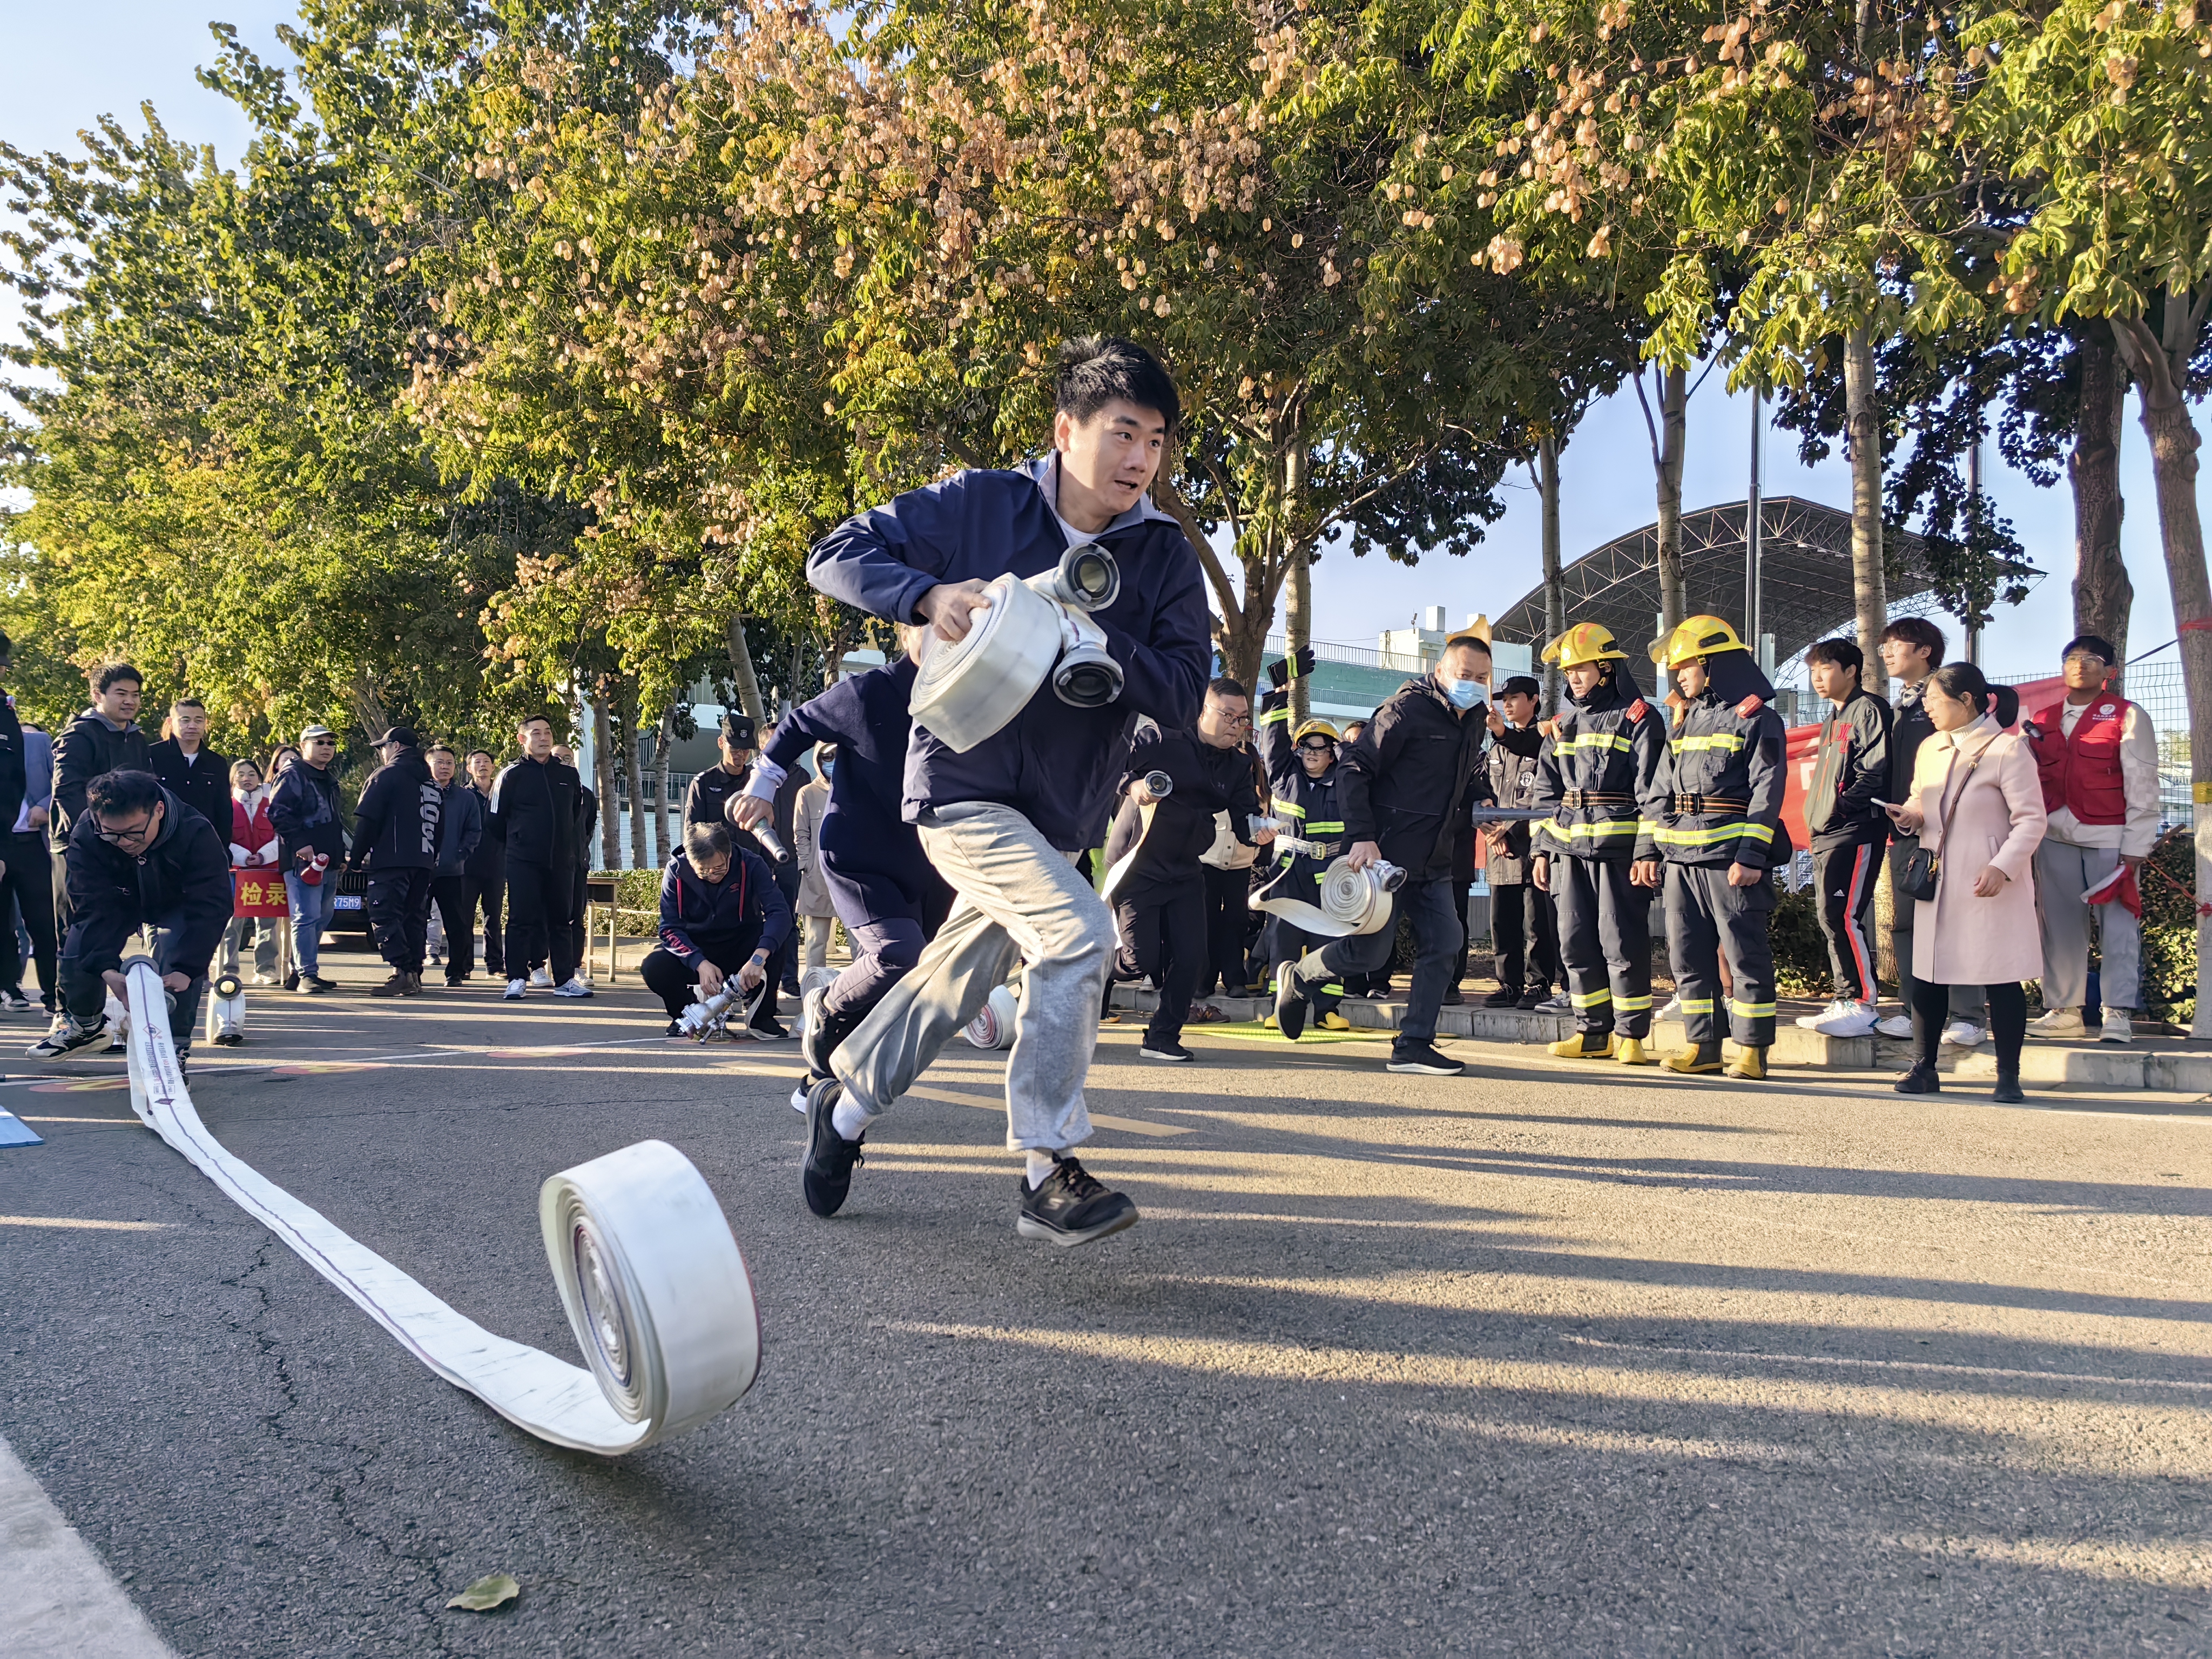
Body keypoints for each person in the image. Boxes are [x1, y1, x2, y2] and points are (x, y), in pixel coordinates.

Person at [796, 334, 1209, 1244]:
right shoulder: (982, 503)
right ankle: (1045, 1165)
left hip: (1059, 817)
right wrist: (923, 596)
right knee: (1078, 932)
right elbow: (834, 551)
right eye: (1123, 433)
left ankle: (844, 1109)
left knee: (947, 987)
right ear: (1067, 430)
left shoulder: (1165, 557)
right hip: (960, 785)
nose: (1142, 459)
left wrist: (1102, 646)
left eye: (1157, 441)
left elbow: (1183, 691)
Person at [736, 629, 957, 1095]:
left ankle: (822, 1078)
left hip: (933, 860)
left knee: (917, 981)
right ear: (907, 630)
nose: (952, 631)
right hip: (861, 856)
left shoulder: (973, 691)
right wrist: (762, 786)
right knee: (897, 955)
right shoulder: (868, 691)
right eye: (936, 621)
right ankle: (825, 1007)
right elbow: (797, 724)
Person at [1275, 630, 1492, 1075]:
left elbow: (1460, 778)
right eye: (1465, 675)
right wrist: (1361, 836)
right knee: (1369, 955)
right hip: (1385, 858)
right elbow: (1354, 766)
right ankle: (1299, 977)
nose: (1473, 684)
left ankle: (1413, 1044)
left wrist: (1482, 797)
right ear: (1441, 672)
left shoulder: (1474, 718)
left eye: (1482, 677)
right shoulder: (1405, 710)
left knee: (1446, 943)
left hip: (1434, 858)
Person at [1882, 664, 2046, 1102]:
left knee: (2001, 976)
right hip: (1938, 877)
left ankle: (2008, 1075)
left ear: (1967, 700)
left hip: (1988, 880)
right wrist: (1911, 815)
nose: (1928, 708)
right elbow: (1922, 797)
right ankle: (1925, 1066)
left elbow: (2032, 820)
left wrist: (2002, 866)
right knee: (1931, 975)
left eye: (1935, 700)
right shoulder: (1931, 747)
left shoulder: (2008, 750)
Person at [1647, 617, 1786, 1080]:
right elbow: (1660, 788)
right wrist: (1653, 845)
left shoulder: (1757, 717)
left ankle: (1751, 1050)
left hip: (1728, 861)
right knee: (1687, 957)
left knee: (1744, 954)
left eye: (1685, 666)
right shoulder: (1686, 720)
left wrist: (1751, 855)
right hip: (1680, 861)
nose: (1679, 676)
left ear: (1711, 663)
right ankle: (1703, 1045)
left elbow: (1768, 792)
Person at [1102, 679, 1269, 1062]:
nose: (1235, 725)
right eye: (1227, 715)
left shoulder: (1239, 764)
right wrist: (1135, 785)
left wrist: (1263, 832)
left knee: (1192, 956)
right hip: (1137, 863)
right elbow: (1108, 764)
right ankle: (1084, 968)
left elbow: (1245, 823)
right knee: (1137, 961)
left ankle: (1162, 1037)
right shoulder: (1163, 738)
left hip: (1186, 867)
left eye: (1242, 719)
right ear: (1202, 711)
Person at [1529, 622, 1668, 1064]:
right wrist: (1541, 849)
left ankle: (1630, 1036)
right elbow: (1545, 793)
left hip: (1619, 853)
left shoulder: (1639, 719)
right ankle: (1591, 1033)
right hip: (1568, 852)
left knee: (1621, 943)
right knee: (1573, 942)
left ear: (1606, 669)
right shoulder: (1561, 724)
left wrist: (1647, 850)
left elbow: (1653, 792)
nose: (1573, 677)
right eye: (1569, 671)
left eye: (1581, 668)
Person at [30, 768, 231, 1067]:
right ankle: (86, 1027)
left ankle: (172, 1049)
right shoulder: (88, 832)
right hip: (116, 898)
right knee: (78, 947)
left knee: (177, 958)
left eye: (134, 832)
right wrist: (106, 968)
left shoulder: (196, 832)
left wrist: (188, 969)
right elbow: (89, 904)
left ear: (159, 810)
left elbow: (211, 906)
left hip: (177, 903)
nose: (124, 842)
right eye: (111, 833)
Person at [2021, 634, 2159, 1045]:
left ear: (2109, 672)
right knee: (2059, 927)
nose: (2079, 665)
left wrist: (2136, 845)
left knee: (2117, 926)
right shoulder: (2040, 720)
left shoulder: (2127, 715)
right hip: (2055, 836)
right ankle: (2064, 1010)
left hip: (2110, 838)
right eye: (2071, 658)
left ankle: (2117, 1011)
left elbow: (2143, 783)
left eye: (2091, 659)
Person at [1873, 619, 1987, 1045]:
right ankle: (1912, 1009)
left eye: (1895, 644)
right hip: (1906, 828)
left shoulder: (1951, 700)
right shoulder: (1896, 705)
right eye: (1883, 645)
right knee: (1906, 922)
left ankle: (1968, 1015)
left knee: (1955, 921)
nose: (1886, 653)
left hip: (1951, 832)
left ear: (1924, 651)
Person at [1796, 638, 1893, 1038]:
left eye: (1826, 668)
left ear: (1851, 670)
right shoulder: (1834, 718)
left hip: (1855, 829)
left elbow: (1875, 771)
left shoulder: (1868, 709)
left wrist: (1838, 809)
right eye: (1813, 670)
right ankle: (1844, 997)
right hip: (1830, 834)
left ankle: (1861, 1003)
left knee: (1845, 915)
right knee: (1830, 916)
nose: (1818, 678)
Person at [1252, 647, 1353, 1030]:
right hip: (1288, 870)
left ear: (1332, 753)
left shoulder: (1344, 782)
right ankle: (1280, 1006)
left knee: (1329, 941)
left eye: (1321, 747)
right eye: (1306, 746)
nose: (1312, 753)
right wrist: (1279, 692)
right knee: (1284, 939)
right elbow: (1273, 739)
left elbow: (1355, 762)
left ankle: (1328, 1011)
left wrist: (1341, 747)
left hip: (1331, 873)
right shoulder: (1284, 775)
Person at [642, 820, 792, 1031]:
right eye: (703, 871)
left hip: (741, 944)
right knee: (654, 966)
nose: (712, 875)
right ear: (691, 862)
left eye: (719, 868)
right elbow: (669, 928)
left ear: (729, 853)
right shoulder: (676, 870)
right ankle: (688, 1014)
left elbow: (780, 913)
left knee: (776, 941)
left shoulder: (752, 864)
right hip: (697, 947)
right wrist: (698, 962)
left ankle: (762, 1017)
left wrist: (758, 957)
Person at [488, 715, 588, 1000]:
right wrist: (519, 845)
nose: (543, 738)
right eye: (536, 733)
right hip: (523, 861)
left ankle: (565, 980)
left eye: (548, 733)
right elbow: (494, 821)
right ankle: (517, 977)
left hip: (561, 861)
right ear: (523, 739)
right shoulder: (511, 774)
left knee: (562, 920)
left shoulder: (568, 774)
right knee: (522, 919)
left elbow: (576, 815)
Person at [51, 664, 151, 940]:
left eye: (135, 694)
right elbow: (68, 793)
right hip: (82, 846)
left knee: (113, 931)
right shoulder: (79, 736)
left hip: (125, 846)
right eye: (121, 693)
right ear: (98, 695)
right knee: (80, 932)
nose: (130, 701)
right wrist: (102, 835)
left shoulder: (136, 738)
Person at [1480, 675, 1559, 1010]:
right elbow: (1482, 788)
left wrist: (1508, 830)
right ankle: (1509, 984)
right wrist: (1489, 826)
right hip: (1498, 851)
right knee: (1502, 921)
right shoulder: (1495, 747)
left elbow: (1540, 797)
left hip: (1530, 847)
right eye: (1504, 699)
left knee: (1536, 922)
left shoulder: (1545, 739)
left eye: (1514, 698)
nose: (1507, 705)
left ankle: (1538, 985)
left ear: (1534, 699)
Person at [348, 727, 442, 997]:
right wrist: (431, 860)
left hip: (391, 860)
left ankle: (402, 971)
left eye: (383, 747)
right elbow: (440, 826)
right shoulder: (432, 784)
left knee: (385, 915)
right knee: (413, 918)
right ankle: (413, 973)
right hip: (423, 862)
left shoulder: (387, 776)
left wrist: (356, 858)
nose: (381, 753)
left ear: (396, 746)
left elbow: (368, 820)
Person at [268, 724, 347, 994]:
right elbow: (278, 813)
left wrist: (340, 854)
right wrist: (301, 844)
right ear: (303, 746)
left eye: (330, 743)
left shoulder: (329, 777)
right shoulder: (293, 774)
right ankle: (307, 975)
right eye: (319, 742)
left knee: (324, 916)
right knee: (306, 916)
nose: (326, 747)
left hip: (330, 859)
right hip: (304, 861)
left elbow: (335, 820)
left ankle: (299, 972)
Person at [2, 714, 57, 1013]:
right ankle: (10, 988)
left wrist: (44, 805)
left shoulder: (37, 743)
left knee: (44, 923)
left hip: (34, 843)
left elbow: (63, 784)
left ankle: (53, 993)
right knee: (3, 925)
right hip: (1, 843)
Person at [425, 744, 486, 987]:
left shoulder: (465, 798)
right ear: (428, 764)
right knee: (415, 920)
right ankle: (410, 969)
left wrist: (461, 854)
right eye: (439, 762)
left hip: (452, 870)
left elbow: (474, 831)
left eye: (449, 763)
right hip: (420, 869)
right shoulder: (418, 793)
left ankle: (456, 970)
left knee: (457, 923)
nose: (445, 767)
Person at [221, 758, 282, 983]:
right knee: (232, 923)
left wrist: (264, 855)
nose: (246, 779)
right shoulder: (226, 805)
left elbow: (280, 836)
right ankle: (229, 968)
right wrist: (244, 857)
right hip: (236, 871)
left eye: (251, 774)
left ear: (259, 777)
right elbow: (222, 838)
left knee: (267, 923)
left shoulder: (272, 804)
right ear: (233, 779)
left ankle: (266, 969)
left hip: (268, 871)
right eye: (241, 775)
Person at [548, 743, 598, 996]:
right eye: (558, 758)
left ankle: (574, 967)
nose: (564, 762)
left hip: (577, 863)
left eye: (568, 758)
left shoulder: (585, 794)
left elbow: (588, 826)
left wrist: (578, 852)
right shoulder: (543, 789)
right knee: (544, 917)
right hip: (545, 863)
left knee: (575, 918)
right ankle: (536, 966)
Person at [147, 698, 231, 830]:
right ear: (170, 722)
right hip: (162, 839)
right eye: (185, 720)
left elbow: (224, 812)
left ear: (205, 723)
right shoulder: (152, 755)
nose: (192, 726)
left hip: (204, 841)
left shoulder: (216, 763)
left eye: (198, 721)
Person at [791, 745, 837, 976]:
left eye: (837, 756)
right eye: (826, 757)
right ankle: (814, 991)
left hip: (852, 877)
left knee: (861, 940)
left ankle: (863, 997)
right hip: (817, 876)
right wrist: (806, 864)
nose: (832, 762)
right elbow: (801, 832)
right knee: (816, 941)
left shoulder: (857, 788)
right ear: (818, 760)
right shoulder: (807, 793)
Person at [462, 750, 506, 982]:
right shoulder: (463, 795)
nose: (482, 766)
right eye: (477, 762)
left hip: (496, 863)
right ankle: (465, 965)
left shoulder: (502, 792)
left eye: (487, 762)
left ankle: (495, 965)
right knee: (465, 918)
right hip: (467, 866)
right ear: (469, 768)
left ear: (493, 767)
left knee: (493, 917)